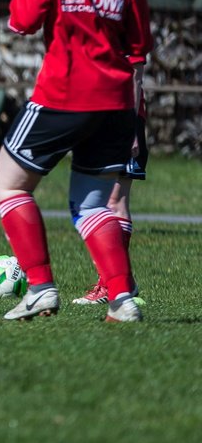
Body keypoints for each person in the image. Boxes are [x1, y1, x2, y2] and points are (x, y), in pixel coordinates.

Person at [0, 0, 153, 323]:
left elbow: (20, 21)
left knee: (9, 182)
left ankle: (40, 286)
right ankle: (123, 300)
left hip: (65, 92)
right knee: (91, 205)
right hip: (117, 101)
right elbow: (140, 46)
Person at [71, 97, 148, 306]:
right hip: (106, 114)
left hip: (123, 118)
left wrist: (131, 126)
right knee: (105, 202)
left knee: (115, 202)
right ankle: (121, 283)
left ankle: (111, 285)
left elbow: (135, 74)